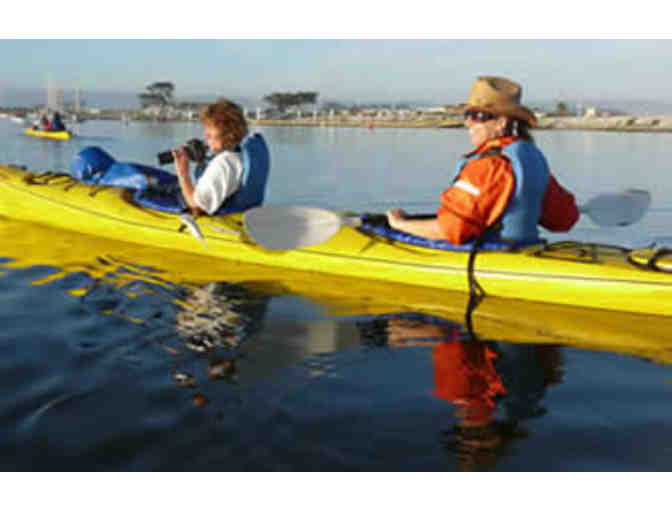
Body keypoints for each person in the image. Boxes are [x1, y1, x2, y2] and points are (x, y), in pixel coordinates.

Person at [386, 76, 579, 245]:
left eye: (478, 116)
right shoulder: (532, 159)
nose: (468, 122)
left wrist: (400, 224)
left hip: (494, 258)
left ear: (501, 123)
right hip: (524, 250)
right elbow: (564, 219)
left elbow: (452, 230)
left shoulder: (489, 165)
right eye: (467, 115)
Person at [172, 99, 249, 216]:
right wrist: (202, 164)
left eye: (210, 129)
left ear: (228, 132)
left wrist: (183, 173)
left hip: (213, 221)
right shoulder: (241, 155)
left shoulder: (224, 162)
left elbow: (196, 205)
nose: (205, 135)